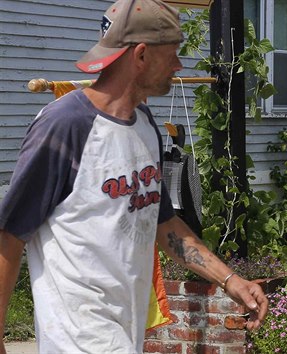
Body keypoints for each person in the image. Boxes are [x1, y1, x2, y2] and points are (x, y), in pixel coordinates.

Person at [0, 0, 268, 353]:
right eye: (172, 54)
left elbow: (163, 223)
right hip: (80, 335)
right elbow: (10, 233)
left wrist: (230, 279)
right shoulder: (64, 125)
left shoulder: (143, 124)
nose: (178, 64)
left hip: (127, 329)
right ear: (140, 55)